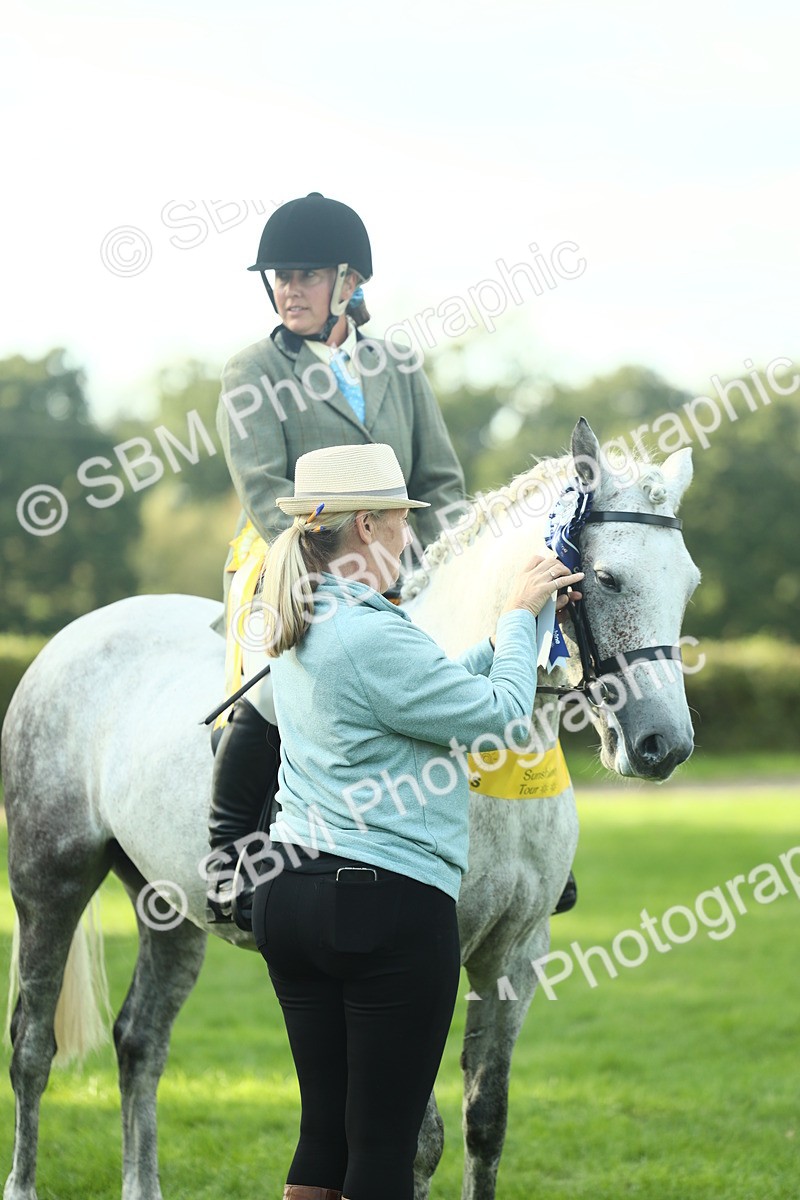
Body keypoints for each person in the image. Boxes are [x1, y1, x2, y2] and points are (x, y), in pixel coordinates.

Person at [249, 442, 584, 1200]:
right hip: (381, 906)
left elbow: (428, 690)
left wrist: (503, 637)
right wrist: (520, 620)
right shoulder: (374, 631)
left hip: (292, 895)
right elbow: (498, 717)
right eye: (402, 522)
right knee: (381, 1147)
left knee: (323, 1138)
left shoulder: (308, 618)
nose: (411, 538)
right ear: (366, 526)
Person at [208, 193, 466, 914]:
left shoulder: (400, 365)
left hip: (401, 555)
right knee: (274, 667)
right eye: (281, 276)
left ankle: (529, 848)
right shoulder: (252, 371)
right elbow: (265, 491)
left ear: (349, 283)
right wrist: (344, 573)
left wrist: (432, 559)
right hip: (287, 554)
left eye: (306, 274)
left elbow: (440, 479)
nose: (289, 288)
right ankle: (229, 850)